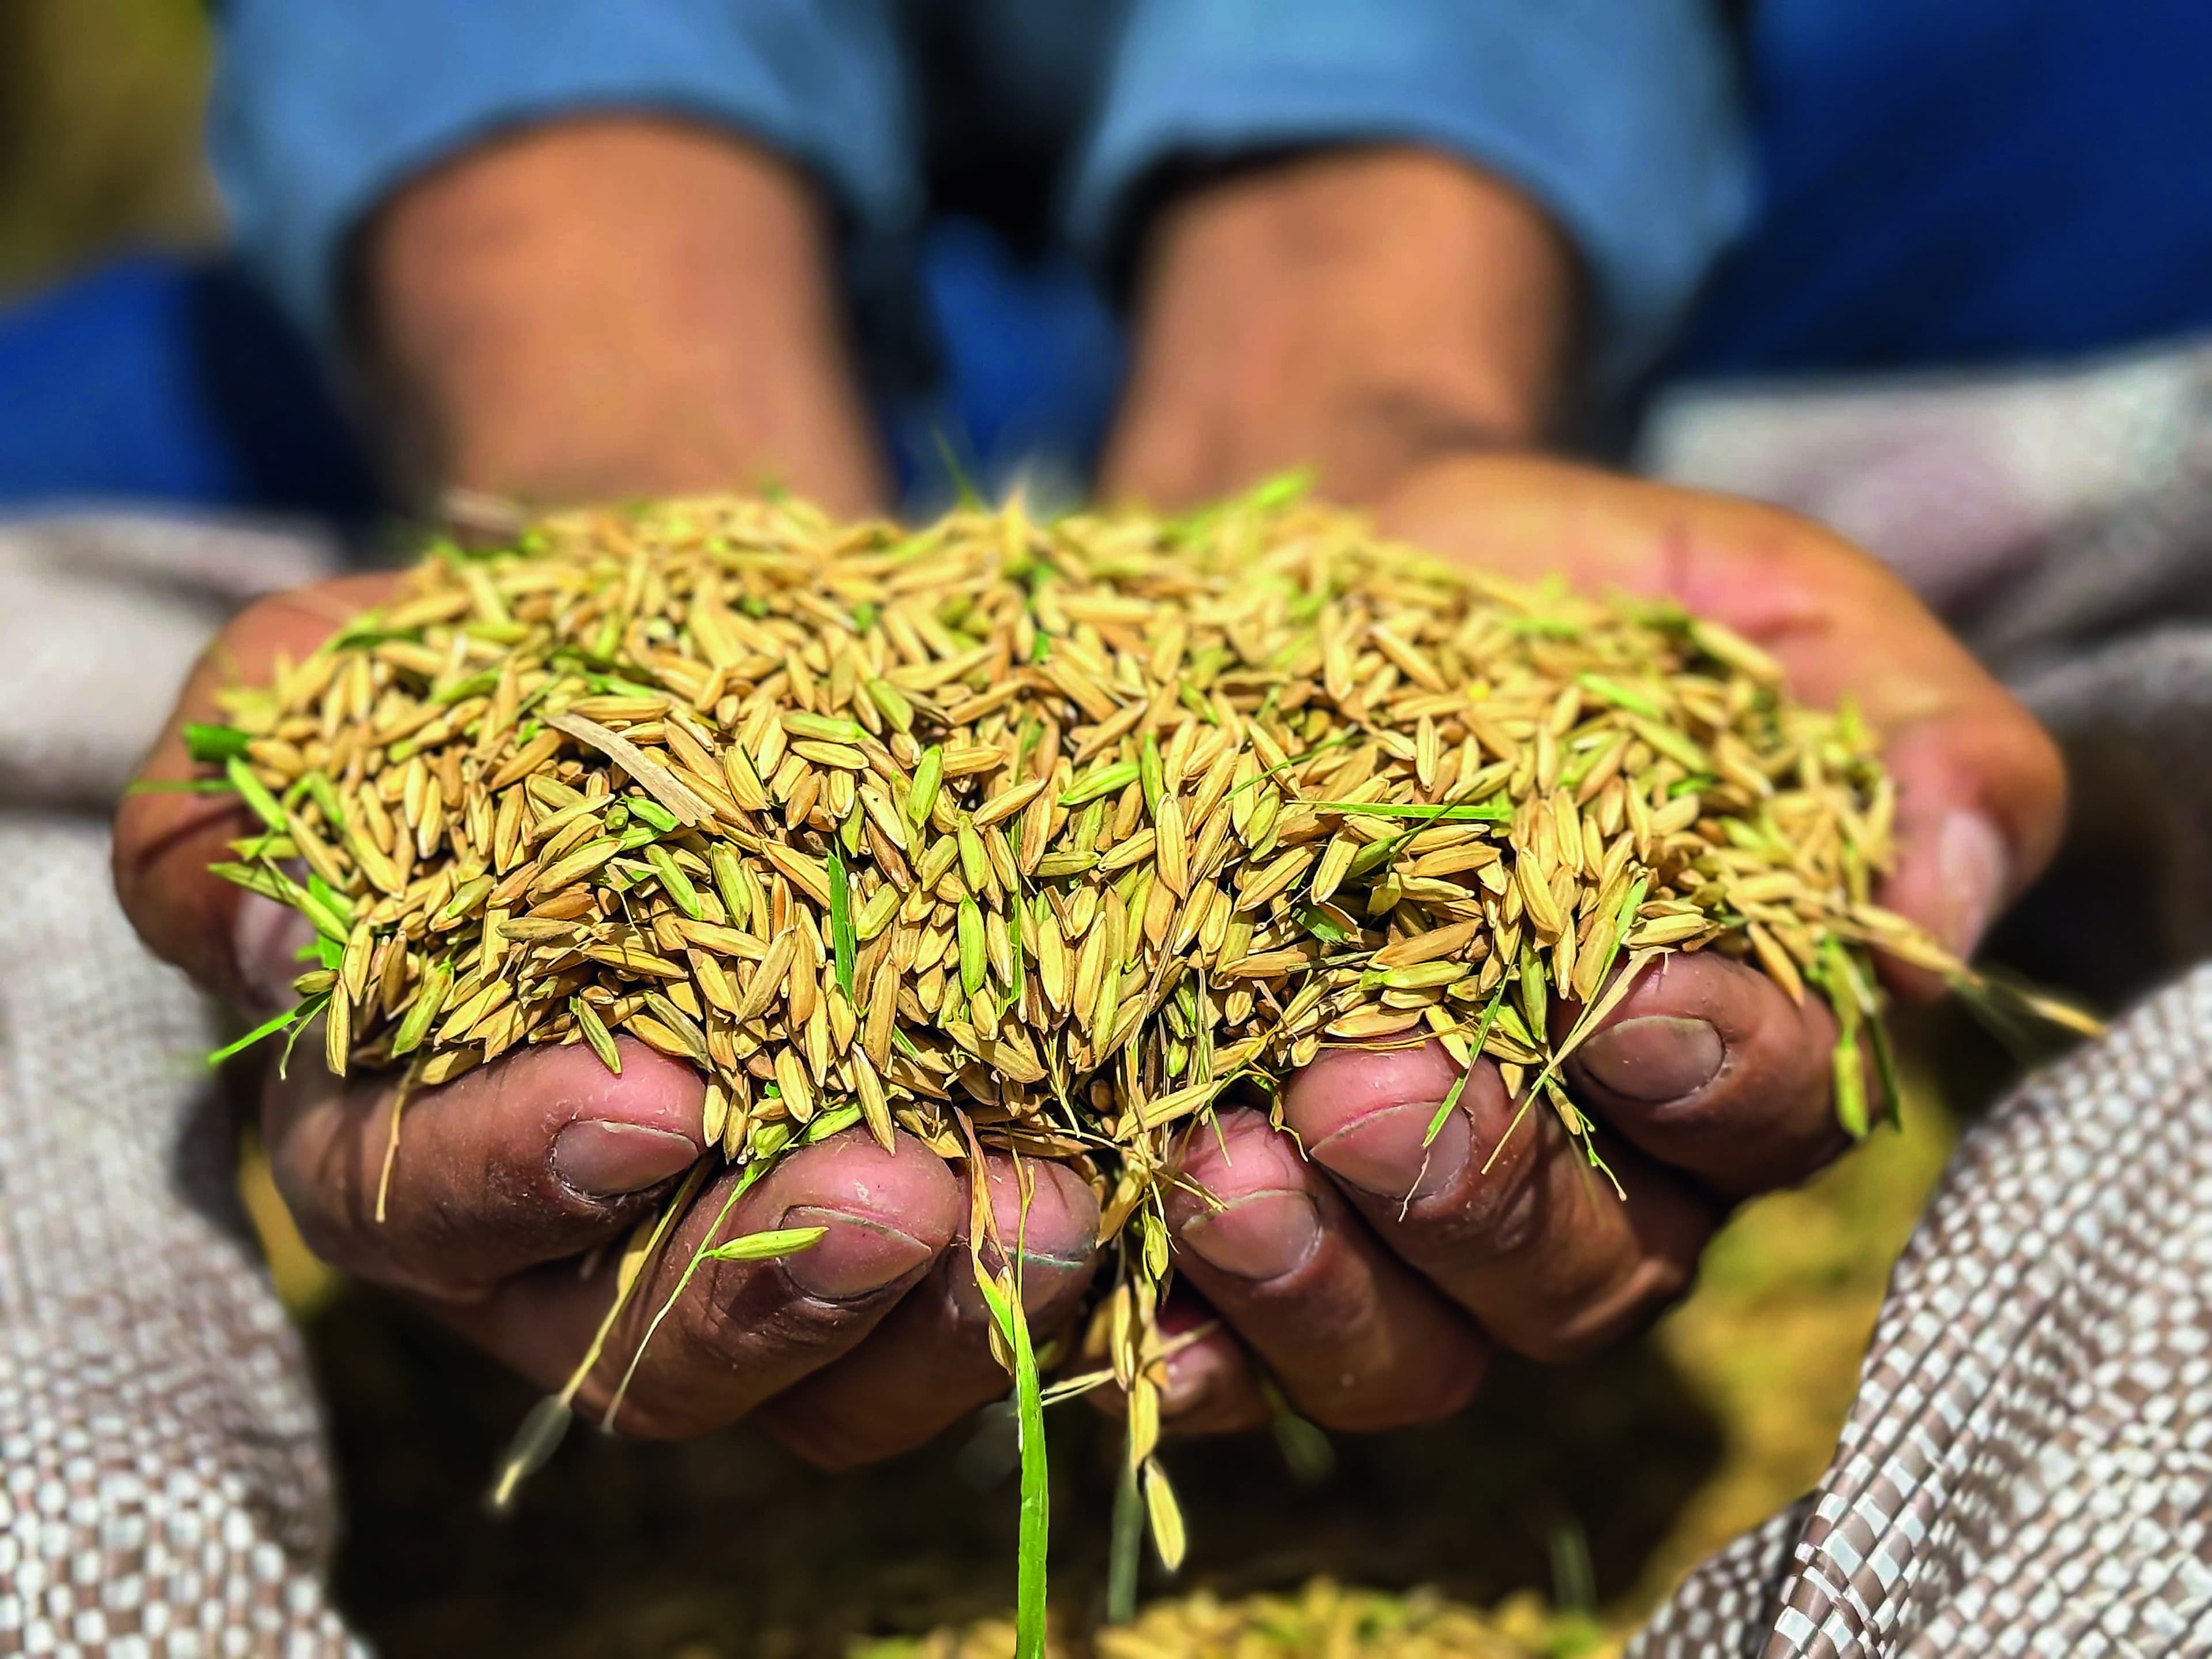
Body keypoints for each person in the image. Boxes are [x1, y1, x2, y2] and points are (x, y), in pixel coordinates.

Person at [109, 3, 2066, 1468]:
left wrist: (1360, 374)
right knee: (84, 434)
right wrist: (605, 450)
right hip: (657, 228)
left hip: (1548, 162)